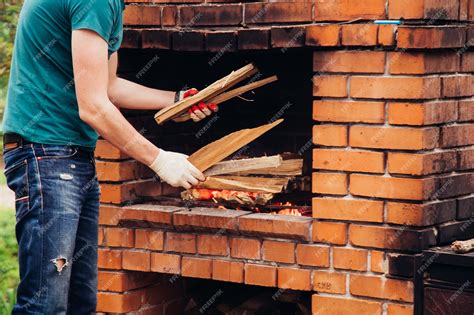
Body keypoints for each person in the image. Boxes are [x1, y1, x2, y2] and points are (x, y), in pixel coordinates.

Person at [1, 0, 217, 313]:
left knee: (80, 303)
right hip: (45, 155)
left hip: (71, 158)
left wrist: (176, 100)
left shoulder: (110, 5)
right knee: (45, 305)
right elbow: (92, 106)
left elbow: (108, 87)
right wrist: (158, 159)